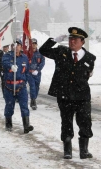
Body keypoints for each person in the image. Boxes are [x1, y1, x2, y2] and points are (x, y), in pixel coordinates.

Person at [39, 27, 96, 160]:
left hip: (82, 96)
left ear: (82, 42)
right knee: (66, 122)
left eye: (75, 39)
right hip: (65, 95)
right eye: (70, 39)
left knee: (85, 122)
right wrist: (54, 40)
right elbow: (43, 51)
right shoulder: (61, 52)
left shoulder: (90, 58)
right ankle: (67, 150)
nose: (72, 42)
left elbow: (87, 74)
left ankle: (84, 150)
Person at [2, 40, 34, 133]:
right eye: (14, 45)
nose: (16, 47)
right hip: (9, 86)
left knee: (24, 106)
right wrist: (10, 66)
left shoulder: (24, 57)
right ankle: (8, 124)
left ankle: (26, 125)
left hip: (21, 86)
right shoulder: (7, 56)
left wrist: (26, 81)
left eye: (18, 45)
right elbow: (4, 63)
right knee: (9, 106)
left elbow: (27, 71)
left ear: (21, 47)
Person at [27, 38, 45, 110]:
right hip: (30, 73)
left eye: (35, 44)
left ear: (36, 44)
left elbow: (42, 62)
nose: (33, 45)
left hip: (37, 73)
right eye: (32, 44)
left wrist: (37, 70)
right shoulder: (28, 53)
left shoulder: (40, 53)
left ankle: (33, 99)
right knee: (32, 86)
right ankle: (33, 101)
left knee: (37, 87)